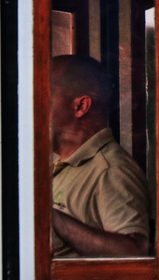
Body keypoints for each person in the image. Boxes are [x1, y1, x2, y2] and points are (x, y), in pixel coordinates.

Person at [47, 54, 151, 259]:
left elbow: (133, 253)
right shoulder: (64, 164)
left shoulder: (111, 171)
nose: (32, 109)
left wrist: (49, 217)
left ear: (80, 106)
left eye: (44, 98)